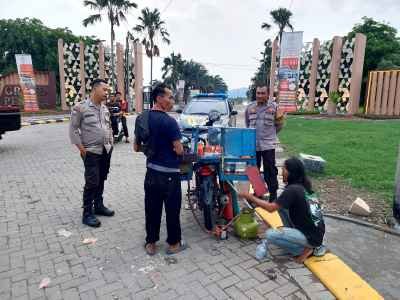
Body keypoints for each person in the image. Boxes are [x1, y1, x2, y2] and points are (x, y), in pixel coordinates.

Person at [239, 157, 326, 263]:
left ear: (291, 172)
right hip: (317, 233)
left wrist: (250, 197)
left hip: (311, 237)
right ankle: (306, 244)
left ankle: (304, 250)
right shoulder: (304, 186)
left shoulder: (292, 190)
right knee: (281, 208)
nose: (281, 172)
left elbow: (271, 208)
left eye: (284, 169)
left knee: (270, 235)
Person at [134, 83, 185, 256]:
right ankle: (174, 244)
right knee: (172, 210)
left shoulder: (142, 118)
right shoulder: (170, 122)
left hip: (151, 174)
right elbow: (178, 149)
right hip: (170, 175)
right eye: (169, 97)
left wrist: (153, 151)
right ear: (159, 98)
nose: (172, 100)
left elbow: (136, 147)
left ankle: (151, 243)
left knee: (152, 209)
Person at [69, 79, 115, 227]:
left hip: (106, 150)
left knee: (101, 178)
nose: (107, 93)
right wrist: (82, 149)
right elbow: (73, 129)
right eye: (104, 89)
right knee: (92, 181)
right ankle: (87, 213)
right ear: (95, 89)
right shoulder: (80, 107)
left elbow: (108, 127)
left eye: (107, 90)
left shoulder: (104, 108)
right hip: (91, 151)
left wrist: (111, 143)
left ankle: (99, 206)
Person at [245, 85, 284, 202]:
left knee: (270, 170)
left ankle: (273, 195)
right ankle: (258, 193)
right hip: (253, 145)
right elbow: (248, 124)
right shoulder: (249, 108)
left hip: (268, 145)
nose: (260, 96)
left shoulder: (275, 108)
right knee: (253, 170)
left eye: (262, 93)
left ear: (268, 94)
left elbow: (279, 125)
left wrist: (270, 136)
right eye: (258, 93)